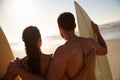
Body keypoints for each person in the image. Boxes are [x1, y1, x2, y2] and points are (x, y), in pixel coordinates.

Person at [7, 12, 107, 80]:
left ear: (59, 28)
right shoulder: (91, 43)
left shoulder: (61, 52)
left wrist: (20, 71)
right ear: (75, 25)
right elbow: (105, 50)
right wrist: (97, 32)